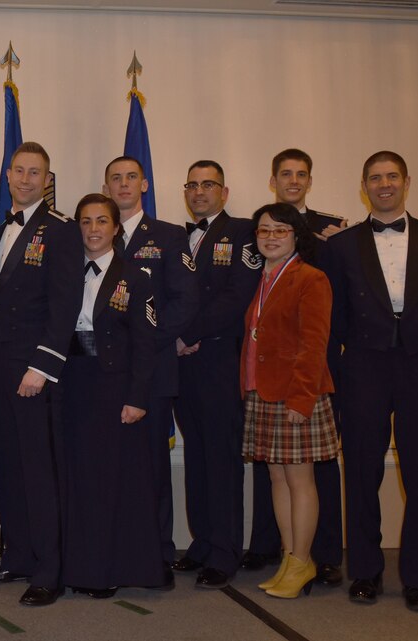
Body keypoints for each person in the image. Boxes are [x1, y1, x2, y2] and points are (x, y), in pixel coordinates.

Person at [327, 151, 418, 612]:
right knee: (362, 471)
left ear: (407, 181)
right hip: (363, 367)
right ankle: (365, 572)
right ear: (363, 185)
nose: (383, 184)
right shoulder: (342, 245)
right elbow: (336, 314)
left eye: (391, 176)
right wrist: (362, 349)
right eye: (374, 177)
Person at [0, 142, 84, 606]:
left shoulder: (60, 229)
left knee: (40, 471)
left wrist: (42, 366)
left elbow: (65, 306)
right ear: (7, 175)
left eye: (34, 172)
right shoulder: (1, 228)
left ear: (48, 179)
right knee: (10, 465)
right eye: (18, 171)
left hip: (34, 368)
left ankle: (49, 569)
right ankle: (18, 556)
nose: (25, 179)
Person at [244, 148, 346, 586]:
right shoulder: (264, 278)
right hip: (263, 393)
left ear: (295, 235)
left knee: (301, 482)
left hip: (296, 395)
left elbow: (314, 344)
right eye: (264, 230)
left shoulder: (310, 278)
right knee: (277, 481)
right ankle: (291, 558)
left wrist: (303, 399)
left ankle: (303, 559)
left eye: (280, 230)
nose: (270, 236)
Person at [102, 155, 198, 588]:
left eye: (130, 178)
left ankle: (158, 554)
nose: (123, 184)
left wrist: (144, 342)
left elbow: (183, 302)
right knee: (106, 465)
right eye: (115, 179)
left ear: (144, 185)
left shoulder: (169, 236)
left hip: (153, 371)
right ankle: (112, 553)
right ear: (107, 188)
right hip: (99, 375)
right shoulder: (90, 236)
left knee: (153, 468)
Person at [60, 193, 160, 598]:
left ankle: (110, 570)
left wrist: (137, 397)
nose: (94, 229)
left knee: (111, 482)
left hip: (114, 390)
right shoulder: (64, 273)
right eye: (86, 221)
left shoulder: (135, 278)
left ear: (116, 228)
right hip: (70, 385)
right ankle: (79, 567)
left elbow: (146, 344)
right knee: (77, 479)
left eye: (102, 221)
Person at [172, 160, 262, 589]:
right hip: (183, 364)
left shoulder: (243, 232)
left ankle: (226, 552)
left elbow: (236, 296)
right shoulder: (176, 237)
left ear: (224, 192)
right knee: (197, 455)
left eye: (208, 185)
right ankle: (203, 542)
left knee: (222, 459)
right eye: (192, 185)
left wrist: (187, 333)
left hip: (219, 362)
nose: (199, 192)